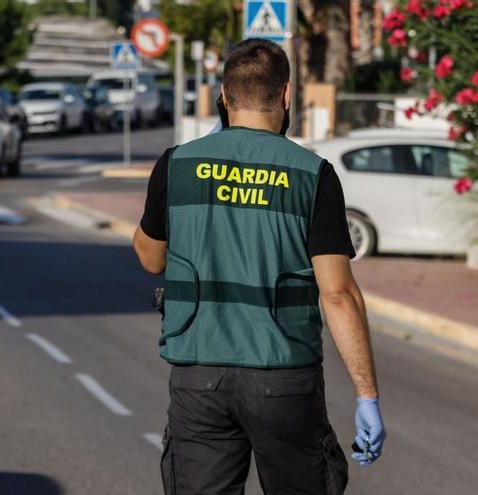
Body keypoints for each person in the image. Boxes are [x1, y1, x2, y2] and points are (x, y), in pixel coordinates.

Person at [132, 39, 385, 494]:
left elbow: (150, 258)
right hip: (283, 378)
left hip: (199, 376)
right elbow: (339, 295)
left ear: (223, 98)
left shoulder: (177, 165)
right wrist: (367, 395)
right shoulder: (313, 174)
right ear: (287, 96)